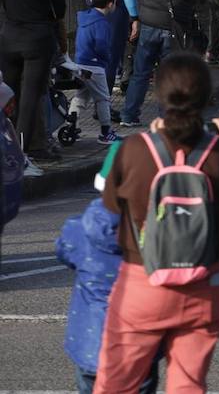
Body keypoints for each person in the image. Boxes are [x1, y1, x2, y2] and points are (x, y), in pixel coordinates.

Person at [96, 53, 219, 393]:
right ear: (206, 96)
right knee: (188, 385)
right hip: (203, 285)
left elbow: (111, 204)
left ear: (160, 95)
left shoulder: (135, 150)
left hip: (142, 281)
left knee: (117, 383)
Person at [56, 159, 159, 394]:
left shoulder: (78, 229)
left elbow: (64, 254)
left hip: (91, 344)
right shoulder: (156, 230)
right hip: (140, 345)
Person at [0, 0, 66, 165]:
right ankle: (21, 152)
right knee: (29, 98)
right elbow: (59, 9)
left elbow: (5, 2)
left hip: (9, 37)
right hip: (37, 39)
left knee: (8, 95)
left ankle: (5, 145)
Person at [75, 0, 120, 145]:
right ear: (110, 4)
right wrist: (107, 58)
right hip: (95, 66)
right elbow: (101, 45)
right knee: (103, 99)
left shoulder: (83, 18)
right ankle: (105, 132)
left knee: (81, 96)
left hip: (81, 63)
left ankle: (71, 125)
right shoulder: (102, 23)